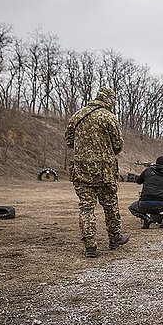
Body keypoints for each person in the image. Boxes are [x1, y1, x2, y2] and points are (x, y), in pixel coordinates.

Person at [65, 86, 130, 258]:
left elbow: (69, 142)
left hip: (81, 171)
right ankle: (114, 238)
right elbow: (118, 145)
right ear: (109, 99)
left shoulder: (77, 116)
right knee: (110, 205)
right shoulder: (109, 117)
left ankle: (90, 245)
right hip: (104, 172)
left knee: (86, 208)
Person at [128, 156, 163, 229]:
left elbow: (138, 181)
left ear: (156, 163)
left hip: (144, 204)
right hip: (161, 205)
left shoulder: (147, 171)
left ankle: (146, 219)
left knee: (131, 208)